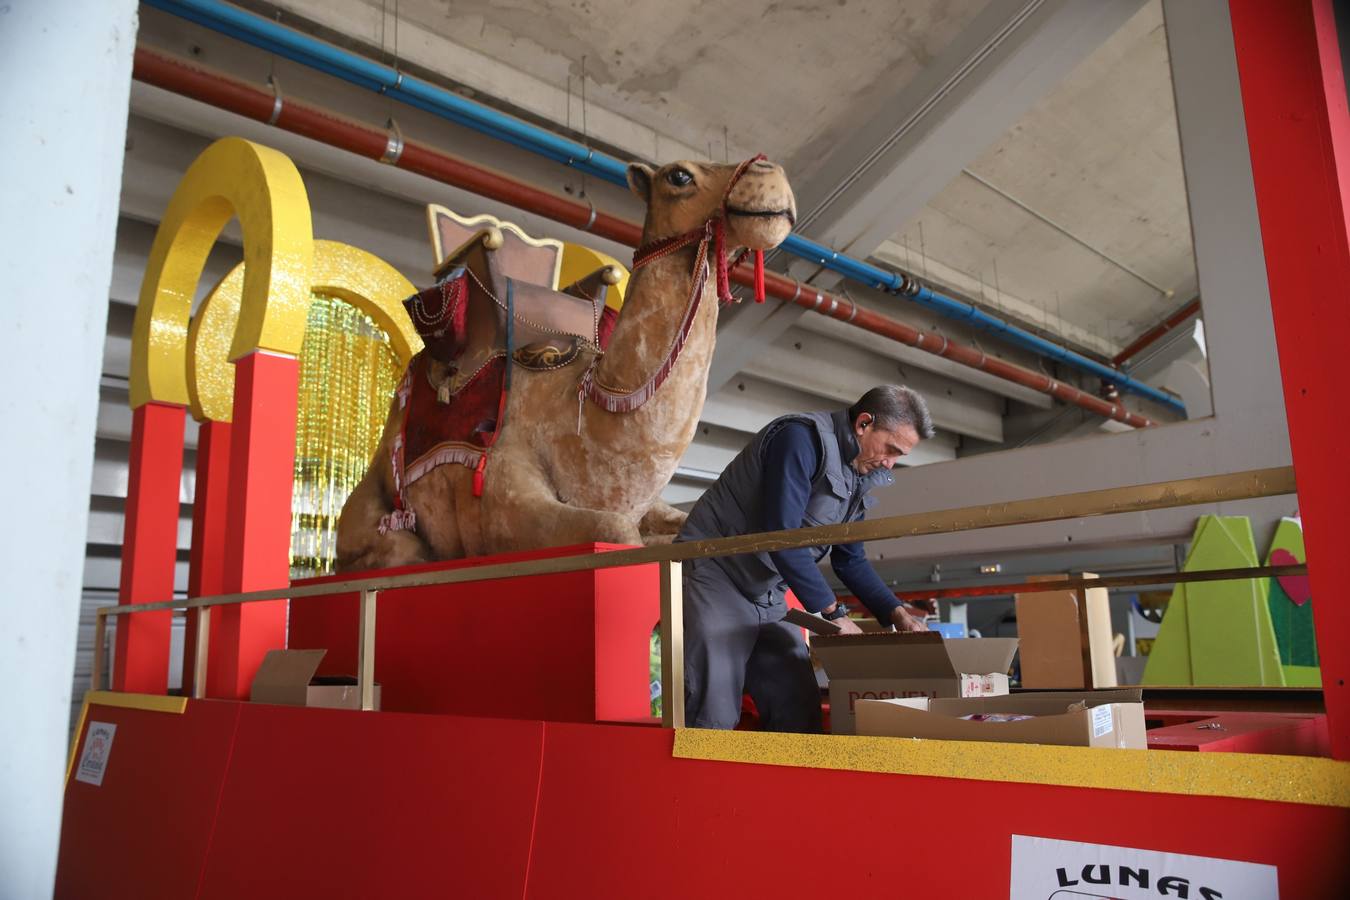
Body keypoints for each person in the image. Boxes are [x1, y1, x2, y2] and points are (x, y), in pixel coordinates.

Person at [676, 385, 936, 732]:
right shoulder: (800, 439)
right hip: (717, 574)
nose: (890, 462)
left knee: (798, 710)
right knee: (714, 712)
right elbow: (781, 537)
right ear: (863, 424)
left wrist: (898, 613)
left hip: (767, 591)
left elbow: (850, 560)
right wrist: (835, 615)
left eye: (899, 456)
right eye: (891, 449)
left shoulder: (858, 474)